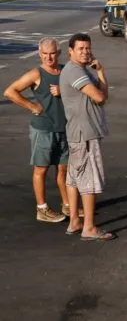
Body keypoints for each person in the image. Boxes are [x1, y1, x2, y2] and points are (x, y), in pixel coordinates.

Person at [3, 38, 72, 223]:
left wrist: (63, 90)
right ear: (39, 54)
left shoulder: (66, 71)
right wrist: (32, 106)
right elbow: (10, 91)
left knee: (63, 168)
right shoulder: (36, 73)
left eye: (52, 53)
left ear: (58, 53)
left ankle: (68, 205)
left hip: (64, 128)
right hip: (43, 129)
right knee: (41, 169)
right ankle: (42, 209)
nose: (49, 57)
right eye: (45, 54)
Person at [59, 33, 115, 241]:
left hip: (78, 133)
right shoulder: (74, 71)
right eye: (81, 48)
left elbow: (103, 95)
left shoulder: (82, 70)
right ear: (70, 51)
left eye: (88, 48)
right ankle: (89, 227)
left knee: (74, 178)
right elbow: (100, 97)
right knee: (88, 180)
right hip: (85, 133)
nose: (85, 52)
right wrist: (99, 77)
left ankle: (75, 221)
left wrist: (100, 72)